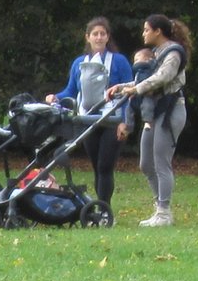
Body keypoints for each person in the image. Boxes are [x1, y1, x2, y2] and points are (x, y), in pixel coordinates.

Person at [51, 15, 135, 224]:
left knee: (106, 166)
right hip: (87, 120)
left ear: (108, 37)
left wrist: (125, 121)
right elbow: (71, 90)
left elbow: (129, 92)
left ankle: (105, 210)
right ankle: (99, 210)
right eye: (95, 34)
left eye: (102, 34)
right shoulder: (79, 63)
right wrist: (55, 97)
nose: (99, 37)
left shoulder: (119, 61)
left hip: (112, 120)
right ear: (87, 37)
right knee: (97, 167)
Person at [116, 14, 191, 227]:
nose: (143, 34)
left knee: (161, 163)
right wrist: (122, 88)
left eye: (146, 29)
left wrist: (136, 89)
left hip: (171, 112)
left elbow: (163, 77)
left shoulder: (174, 52)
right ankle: (159, 207)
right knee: (146, 163)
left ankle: (164, 212)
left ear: (158, 31)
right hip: (156, 114)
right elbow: (145, 78)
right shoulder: (157, 53)